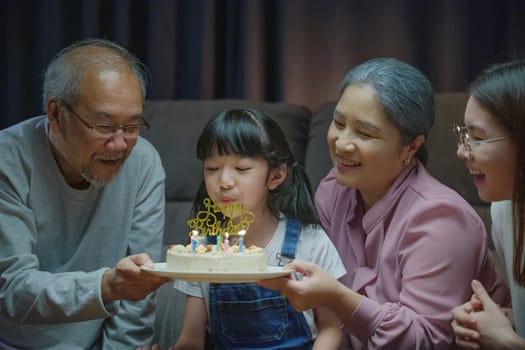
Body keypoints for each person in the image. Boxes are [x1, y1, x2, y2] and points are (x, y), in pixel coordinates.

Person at [257, 57, 510, 349]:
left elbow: (426, 340)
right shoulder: (332, 192)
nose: (341, 144)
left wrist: (338, 298)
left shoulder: (442, 219)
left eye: (364, 133)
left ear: (411, 146)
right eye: (338, 123)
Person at [0, 38, 170, 349]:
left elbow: (138, 295)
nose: (120, 144)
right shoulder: (8, 161)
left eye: (132, 127)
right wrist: (107, 286)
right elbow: (10, 288)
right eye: (104, 125)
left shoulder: (143, 162)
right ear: (55, 113)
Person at [146, 108, 346, 350]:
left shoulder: (311, 242)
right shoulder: (201, 252)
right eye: (212, 168)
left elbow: (331, 328)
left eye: (241, 169)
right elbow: (191, 341)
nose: (224, 182)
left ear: (275, 176)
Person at [451, 60, 525, 349]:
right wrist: (504, 320)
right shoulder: (504, 210)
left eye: (477, 138)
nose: (461, 151)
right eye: (464, 135)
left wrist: (508, 343)